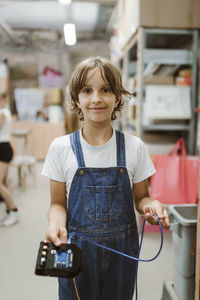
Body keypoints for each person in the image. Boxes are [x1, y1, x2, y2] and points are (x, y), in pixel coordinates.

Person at [42, 56, 170, 300]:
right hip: (75, 252)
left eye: (106, 90)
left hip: (122, 255)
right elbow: (58, 203)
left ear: (118, 97)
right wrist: (54, 225)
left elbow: (141, 198)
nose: (97, 98)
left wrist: (151, 207)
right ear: (76, 99)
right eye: (87, 90)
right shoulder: (61, 148)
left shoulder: (134, 147)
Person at [0, 91, 20, 226]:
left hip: (2, 149)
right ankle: (9, 211)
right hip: (4, 147)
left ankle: (14, 210)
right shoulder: (5, 111)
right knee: (4, 182)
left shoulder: (2, 112)